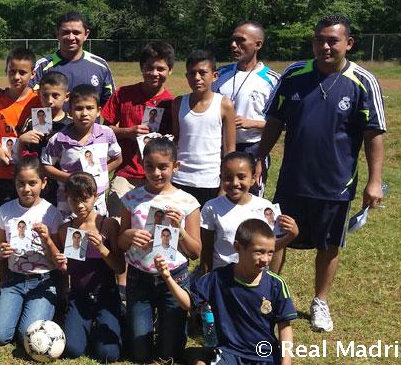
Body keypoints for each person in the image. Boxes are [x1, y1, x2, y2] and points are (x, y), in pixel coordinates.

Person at [254, 14, 385, 333]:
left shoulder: (363, 82)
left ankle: (320, 302)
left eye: (332, 41)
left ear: (348, 44)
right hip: (292, 180)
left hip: (336, 184)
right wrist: (259, 157)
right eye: (319, 40)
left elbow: (374, 134)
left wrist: (375, 180)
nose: (324, 46)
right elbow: (274, 121)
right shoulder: (295, 74)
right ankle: (266, 298)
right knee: (277, 239)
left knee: (329, 245)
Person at [156, 219, 296, 365]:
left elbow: (284, 327)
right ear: (237, 247)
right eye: (259, 252)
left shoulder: (276, 285)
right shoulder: (217, 278)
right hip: (230, 353)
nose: (265, 260)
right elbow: (187, 303)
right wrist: (167, 277)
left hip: (265, 355)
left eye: (270, 253)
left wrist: (286, 361)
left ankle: (201, 357)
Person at [118, 137, 201, 362]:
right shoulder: (131, 199)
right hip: (139, 278)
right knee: (139, 355)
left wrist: (180, 230)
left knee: (169, 355)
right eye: (150, 166)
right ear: (142, 164)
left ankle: (169, 325)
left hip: (174, 280)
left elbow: (195, 252)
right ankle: (137, 320)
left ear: (176, 166)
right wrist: (130, 236)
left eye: (163, 167)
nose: (156, 173)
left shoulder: (187, 202)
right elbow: (120, 241)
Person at [0, 157, 63, 347]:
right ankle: (10, 306)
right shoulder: (6, 210)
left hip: (42, 281)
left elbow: (59, 260)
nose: (26, 189)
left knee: (27, 336)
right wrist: (0, 251)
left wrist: (47, 240)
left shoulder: (51, 213)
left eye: (32, 183)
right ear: (15, 184)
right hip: (14, 280)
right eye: (21, 183)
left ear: (43, 183)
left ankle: (41, 309)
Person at [102, 42, 177, 223]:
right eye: (149, 68)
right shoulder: (123, 94)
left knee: (150, 227)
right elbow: (105, 130)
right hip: (125, 174)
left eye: (161, 69)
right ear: (142, 68)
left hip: (155, 177)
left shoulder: (171, 103)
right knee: (117, 223)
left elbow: (174, 141)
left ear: (170, 71)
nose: (154, 73)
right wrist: (128, 132)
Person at [54, 173, 124, 361]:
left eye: (85, 199)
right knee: (72, 349)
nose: (80, 206)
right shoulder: (65, 230)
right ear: (67, 198)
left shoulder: (108, 225)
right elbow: (66, 270)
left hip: (106, 296)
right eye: (74, 200)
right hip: (80, 297)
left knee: (108, 354)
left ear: (95, 196)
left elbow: (120, 267)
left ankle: (114, 320)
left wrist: (102, 249)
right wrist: (62, 264)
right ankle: (82, 327)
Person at [200, 152, 299, 273]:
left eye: (241, 177)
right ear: (221, 178)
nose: (235, 183)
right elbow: (206, 249)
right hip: (222, 278)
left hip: (256, 278)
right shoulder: (212, 207)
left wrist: (291, 236)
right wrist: (207, 279)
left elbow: (272, 247)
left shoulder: (265, 207)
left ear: (253, 178)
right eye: (228, 177)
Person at [214, 21, 280, 196]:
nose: (233, 45)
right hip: (220, 147)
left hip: (253, 149)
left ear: (257, 45)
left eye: (240, 41)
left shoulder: (273, 80)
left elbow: (283, 122)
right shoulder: (220, 75)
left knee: (250, 200)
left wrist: (251, 123)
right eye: (233, 40)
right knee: (218, 200)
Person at [41, 85, 123, 218]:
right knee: (69, 235)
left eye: (90, 108)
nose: (84, 113)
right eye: (78, 108)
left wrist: (100, 172)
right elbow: (46, 166)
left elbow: (118, 158)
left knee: (97, 234)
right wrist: (71, 178)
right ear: (70, 112)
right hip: (69, 203)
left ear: (98, 111)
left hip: (98, 202)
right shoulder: (59, 138)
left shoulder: (106, 133)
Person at [171, 49, 236, 206]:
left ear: (214, 76)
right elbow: (175, 140)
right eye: (192, 73)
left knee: (205, 229)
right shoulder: (178, 103)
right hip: (180, 179)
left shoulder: (224, 104)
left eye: (202, 73)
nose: (197, 78)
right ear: (186, 76)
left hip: (210, 181)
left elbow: (229, 149)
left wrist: (224, 185)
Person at [0, 47, 40, 215]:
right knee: (4, 219)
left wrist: (22, 139)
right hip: (4, 173)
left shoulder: (39, 101)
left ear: (33, 74)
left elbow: (43, 136)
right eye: (12, 71)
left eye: (22, 72)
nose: (16, 77)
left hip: (31, 176)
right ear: (6, 71)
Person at [31, 12, 115, 107]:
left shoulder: (100, 66)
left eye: (76, 32)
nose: (71, 37)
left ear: (86, 34)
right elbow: (27, 99)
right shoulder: (42, 66)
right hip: (50, 122)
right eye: (65, 32)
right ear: (57, 34)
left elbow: (111, 108)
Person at [17, 71, 71, 206]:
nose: (49, 101)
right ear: (39, 95)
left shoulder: (71, 124)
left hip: (64, 184)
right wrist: (21, 140)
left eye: (55, 95)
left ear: (66, 96)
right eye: (45, 95)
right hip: (36, 185)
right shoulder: (31, 122)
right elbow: (17, 156)